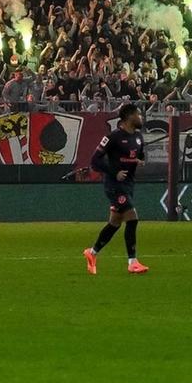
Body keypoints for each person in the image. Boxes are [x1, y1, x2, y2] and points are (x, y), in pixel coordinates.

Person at [79, 102, 149, 275]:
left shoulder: (139, 137)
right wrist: (115, 172)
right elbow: (95, 160)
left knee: (115, 223)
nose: (140, 117)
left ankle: (92, 252)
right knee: (132, 218)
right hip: (114, 185)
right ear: (128, 117)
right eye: (137, 114)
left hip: (128, 184)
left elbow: (139, 156)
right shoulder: (113, 137)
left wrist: (139, 161)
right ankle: (132, 262)